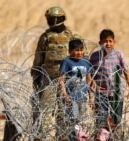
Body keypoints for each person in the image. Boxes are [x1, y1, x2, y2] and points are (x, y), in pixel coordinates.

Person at [30, 6, 82, 140]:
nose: (53, 21)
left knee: (61, 112)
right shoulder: (49, 36)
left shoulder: (70, 35)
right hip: (51, 80)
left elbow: (82, 57)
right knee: (47, 112)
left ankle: (59, 137)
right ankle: (46, 137)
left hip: (65, 81)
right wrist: (36, 76)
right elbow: (39, 59)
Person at [89, 29, 129, 133]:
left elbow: (126, 72)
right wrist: (91, 96)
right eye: (105, 41)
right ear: (100, 42)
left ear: (114, 42)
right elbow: (90, 77)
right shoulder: (95, 56)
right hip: (101, 94)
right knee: (101, 123)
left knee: (116, 123)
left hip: (116, 94)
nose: (108, 44)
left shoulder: (119, 54)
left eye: (110, 41)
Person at [59, 38, 93, 140]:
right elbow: (61, 80)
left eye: (81, 50)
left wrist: (91, 97)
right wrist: (65, 96)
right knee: (73, 123)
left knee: (80, 123)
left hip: (82, 98)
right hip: (71, 99)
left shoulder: (86, 62)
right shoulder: (66, 61)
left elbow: (89, 81)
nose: (79, 53)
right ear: (70, 51)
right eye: (77, 50)